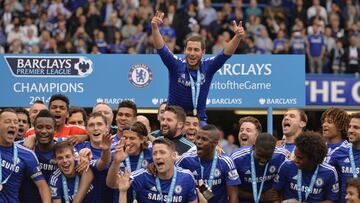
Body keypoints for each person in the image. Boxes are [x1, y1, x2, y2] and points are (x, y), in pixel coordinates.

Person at [151, 11, 245, 127]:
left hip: (197, 121)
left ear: (203, 52)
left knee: (210, 139)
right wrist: (155, 28)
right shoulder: (176, 65)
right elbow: (161, 49)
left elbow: (225, 54)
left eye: (196, 50)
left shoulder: (208, 66)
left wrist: (237, 37)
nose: (192, 53)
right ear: (185, 50)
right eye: (189, 49)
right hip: (174, 120)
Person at [116, 138, 199, 203]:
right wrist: (123, 192)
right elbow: (111, 184)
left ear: (173, 156)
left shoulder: (186, 177)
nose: (157, 156)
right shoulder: (141, 177)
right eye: (154, 153)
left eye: (162, 152)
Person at [176, 124, 241, 203]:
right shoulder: (185, 160)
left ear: (215, 143)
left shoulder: (226, 162)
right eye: (198, 138)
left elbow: (233, 196)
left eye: (204, 139)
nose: (198, 142)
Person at [0, 108, 51, 202]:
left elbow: (42, 186)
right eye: (7, 121)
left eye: (15, 122)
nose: (13, 125)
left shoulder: (27, 154)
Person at [273, 131, 339, 202]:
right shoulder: (286, 166)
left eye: (300, 158)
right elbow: (275, 191)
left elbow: (331, 200)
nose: (295, 160)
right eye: (295, 156)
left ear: (314, 159)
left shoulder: (329, 172)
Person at [231, 133, 287, 202]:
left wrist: (275, 192)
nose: (263, 160)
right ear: (253, 147)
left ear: (274, 151)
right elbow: (231, 189)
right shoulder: (237, 159)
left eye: (268, 157)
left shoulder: (282, 156)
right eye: (260, 155)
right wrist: (261, 197)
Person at [107, 122, 153, 203]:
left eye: (132, 138)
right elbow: (111, 184)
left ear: (142, 139)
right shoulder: (116, 154)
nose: (128, 142)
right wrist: (116, 162)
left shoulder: (152, 154)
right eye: (125, 138)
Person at [74, 112, 114, 203]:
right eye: (91, 125)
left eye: (99, 124)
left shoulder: (116, 149)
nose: (96, 128)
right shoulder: (78, 147)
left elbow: (103, 163)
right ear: (86, 130)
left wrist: (106, 150)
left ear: (107, 128)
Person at [328, 113, 360, 202]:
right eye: (350, 127)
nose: (350, 130)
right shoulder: (339, 152)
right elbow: (323, 173)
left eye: (356, 127)